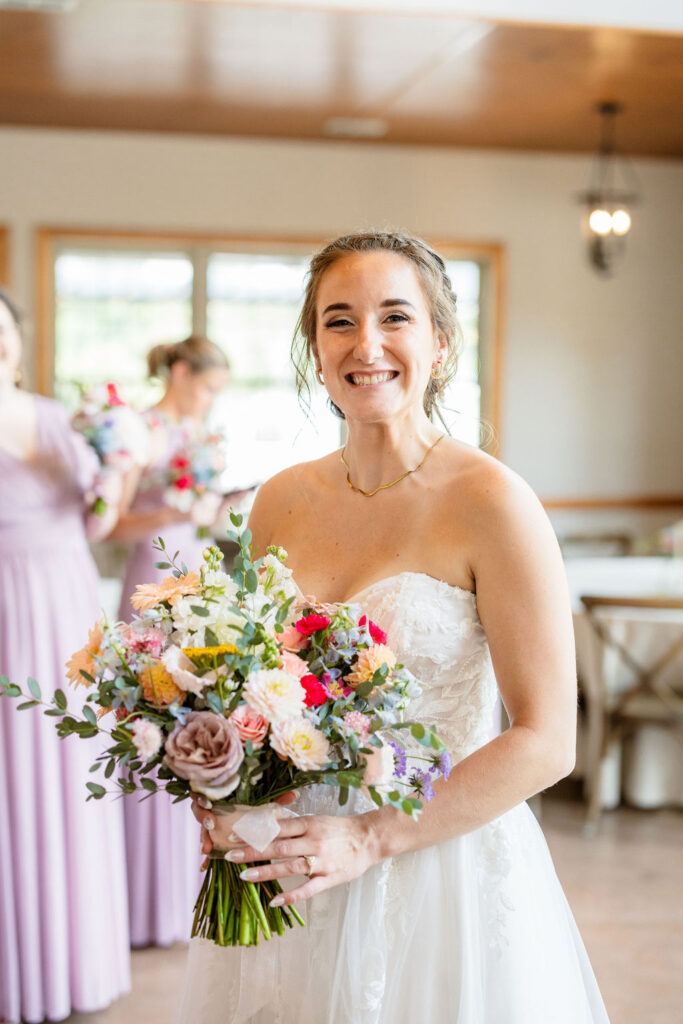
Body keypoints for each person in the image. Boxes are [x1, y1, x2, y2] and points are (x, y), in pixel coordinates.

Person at [177, 231, 611, 1023]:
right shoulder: (278, 500)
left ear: (440, 344)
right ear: (314, 346)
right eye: (338, 320)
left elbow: (547, 740)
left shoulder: (493, 503)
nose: (365, 344)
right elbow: (253, 688)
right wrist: (227, 787)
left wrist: (371, 838)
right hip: (294, 862)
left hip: (434, 866)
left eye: (394, 317)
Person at [0, 288, 130, 1023]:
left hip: (68, 602)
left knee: (74, 762)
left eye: (1, 330)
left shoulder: (58, 418)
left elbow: (99, 518)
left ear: (18, 337)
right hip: (5, 605)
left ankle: (71, 958)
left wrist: (112, 477)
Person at [111, 334, 250, 947]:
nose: (211, 400)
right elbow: (114, 521)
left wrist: (222, 506)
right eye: (207, 386)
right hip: (148, 576)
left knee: (197, 722)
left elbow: (202, 518)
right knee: (147, 721)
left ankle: (187, 891)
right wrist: (174, 508)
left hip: (196, 576)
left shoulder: (202, 437)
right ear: (179, 370)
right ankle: (143, 900)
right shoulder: (138, 429)